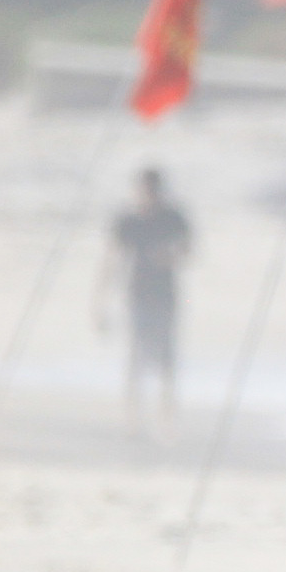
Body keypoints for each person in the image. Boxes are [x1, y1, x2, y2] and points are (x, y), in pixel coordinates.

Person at [106, 167, 190, 413]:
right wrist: (100, 300)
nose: (149, 194)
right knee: (136, 353)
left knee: (166, 355)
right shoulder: (128, 220)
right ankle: (133, 410)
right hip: (137, 294)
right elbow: (112, 257)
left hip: (166, 295)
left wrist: (169, 256)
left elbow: (188, 250)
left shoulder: (173, 217)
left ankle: (166, 409)